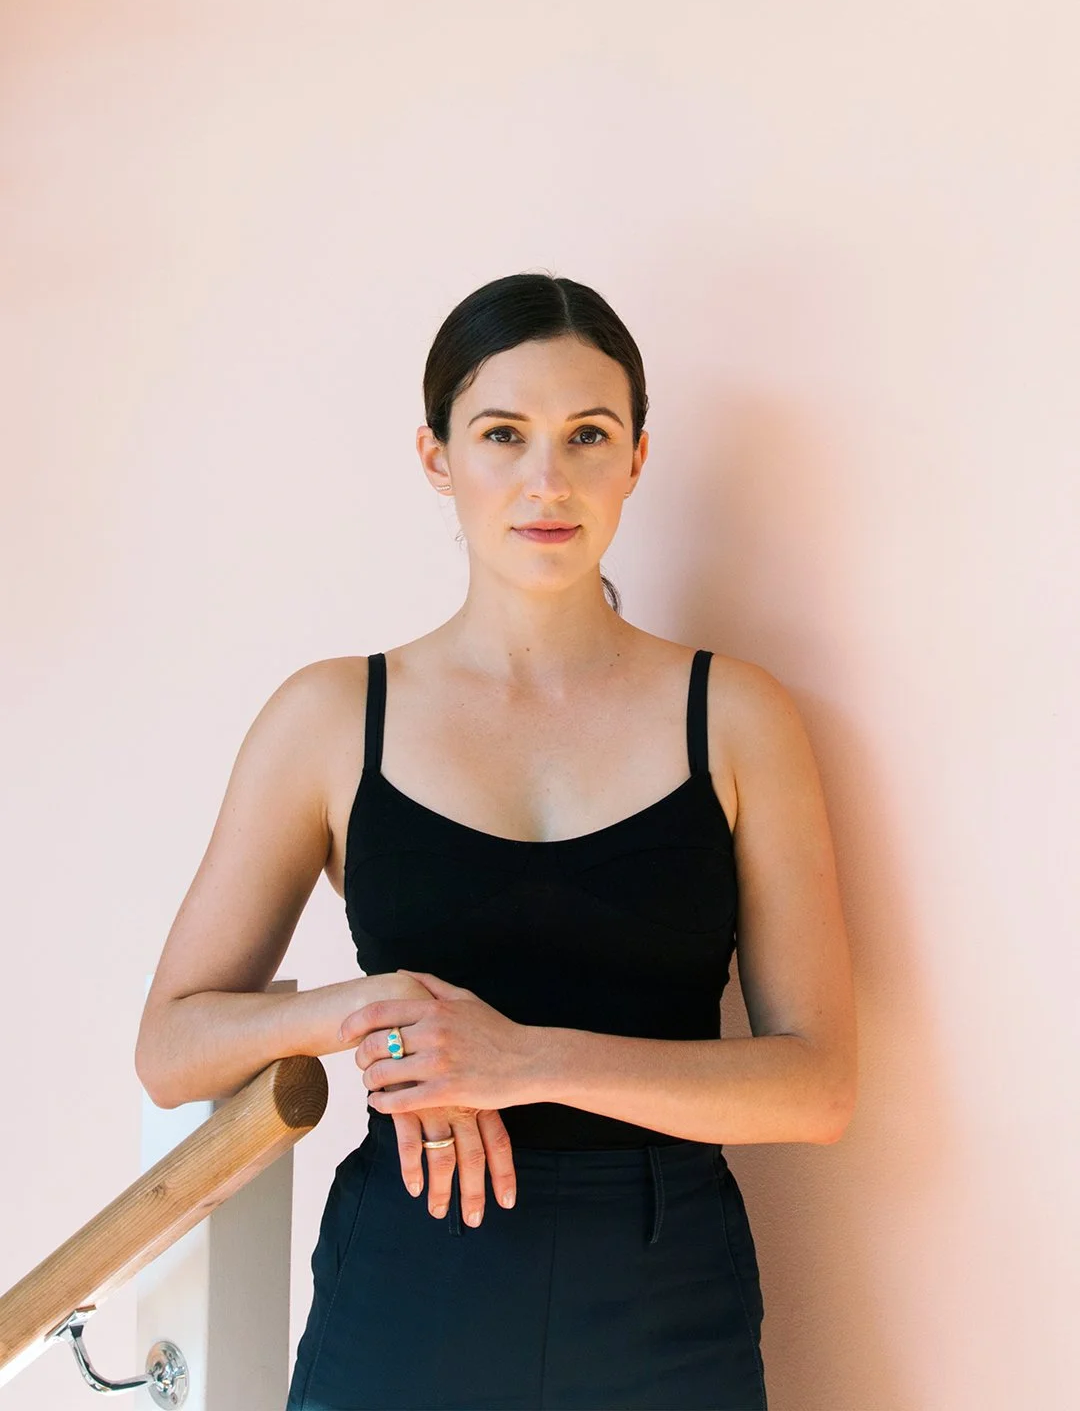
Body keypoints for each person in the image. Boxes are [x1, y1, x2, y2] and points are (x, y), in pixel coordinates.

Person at [135, 272, 857, 1410]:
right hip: (407, 1270)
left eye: (587, 436)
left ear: (637, 460)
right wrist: (388, 1015)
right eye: (503, 435)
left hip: (667, 1291)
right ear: (436, 458)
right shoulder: (331, 716)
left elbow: (816, 1087)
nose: (546, 480)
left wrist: (521, 1059)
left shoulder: (738, 717)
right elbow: (172, 1045)